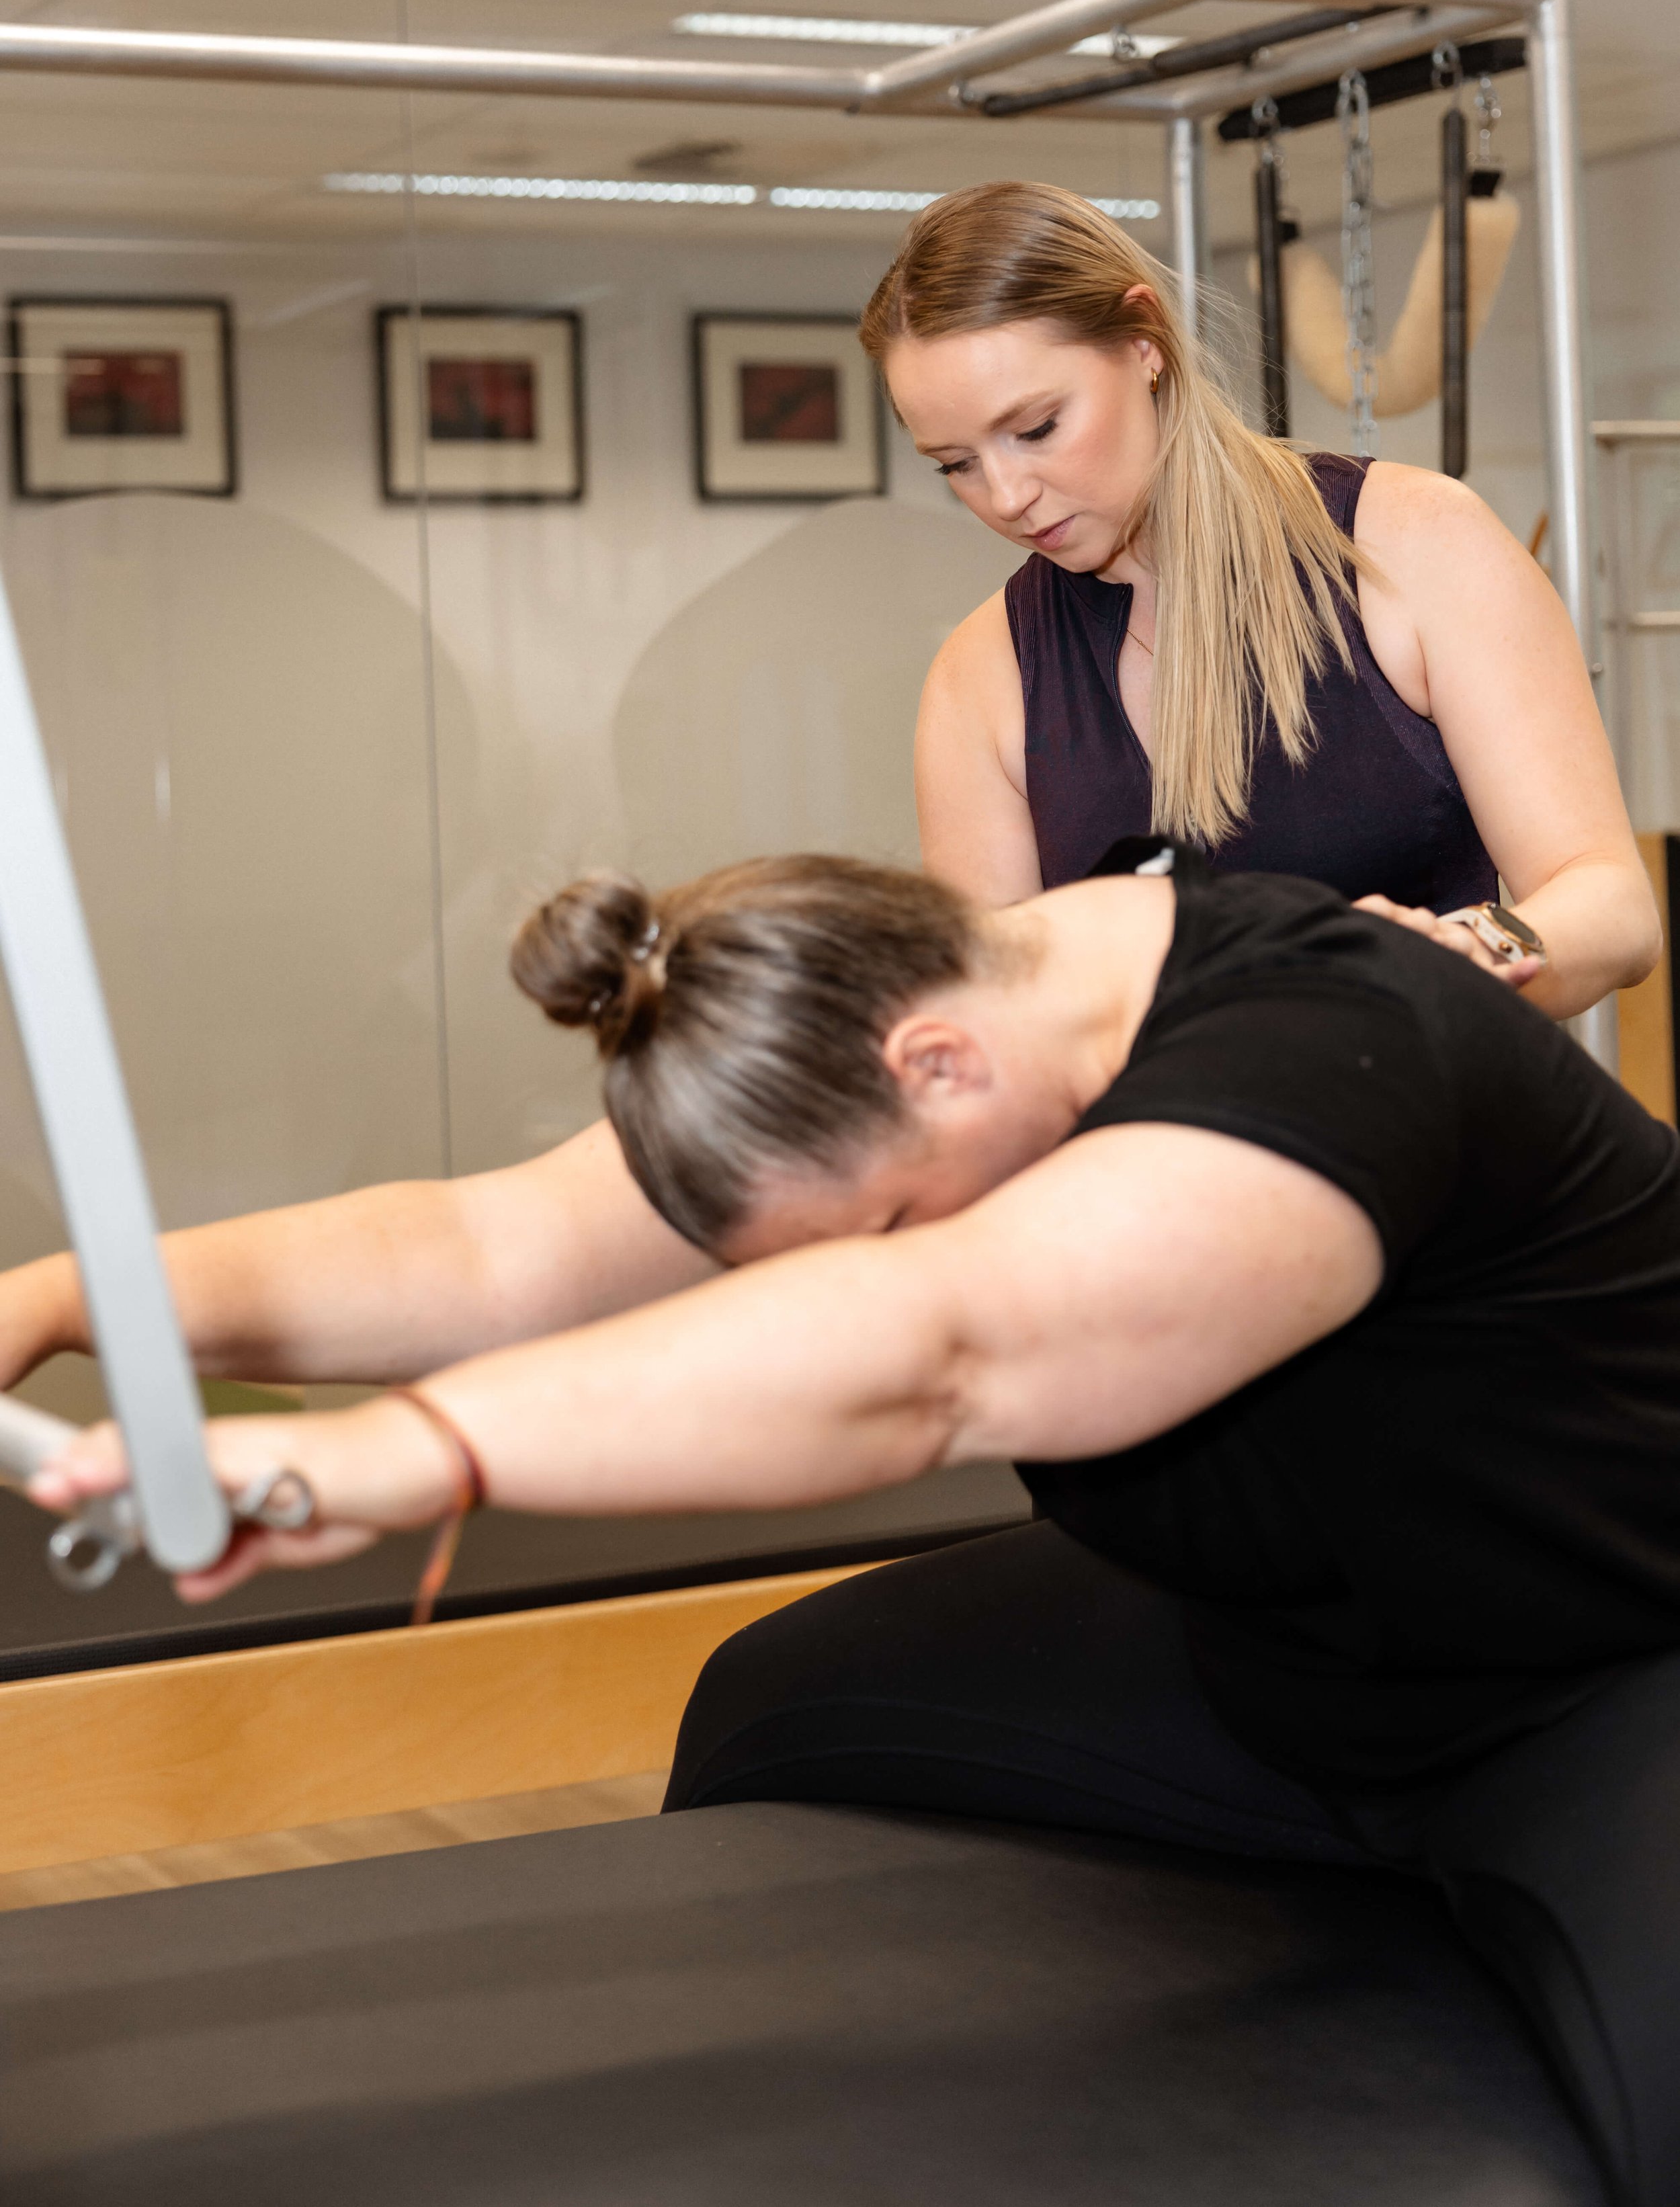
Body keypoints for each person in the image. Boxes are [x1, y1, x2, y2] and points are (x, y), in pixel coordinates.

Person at [24, 843, 1680, 2206]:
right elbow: (481, 1251)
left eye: (878, 1224)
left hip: (1602, 1661)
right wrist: (50, 1298)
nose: (858, 1264)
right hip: (1288, 1644)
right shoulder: (865, 1028)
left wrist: (419, 1454)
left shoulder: (1324, 1041)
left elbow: (936, 1353)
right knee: (782, 1693)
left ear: (939, 1067)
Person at [861, 181, 1658, 1019]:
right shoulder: (980, 674)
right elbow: (998, 1018)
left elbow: (1611, 906)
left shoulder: (1414, 545)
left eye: (1036, 428)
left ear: (1144, 342)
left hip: (1435, 1124)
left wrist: (1470, 952)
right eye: (956, 464)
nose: (1006, 495)